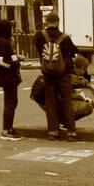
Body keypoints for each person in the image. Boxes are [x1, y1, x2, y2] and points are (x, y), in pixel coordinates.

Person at [38, 10, 77, 140]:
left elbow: (38, 49)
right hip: (63, 74)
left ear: (47, 22)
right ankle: (71, 132)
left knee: (50, 103)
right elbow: (74, 51)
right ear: (58, 22)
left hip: (48, 74)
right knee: (67, 101)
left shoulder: (40, 36)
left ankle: (53, 132)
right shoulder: (65, 38)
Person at [0, 18, 22, 139]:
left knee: (12, 101)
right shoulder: (2, 42)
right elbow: (1, 61)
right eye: (10, 28)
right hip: (7, 77)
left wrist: (17, 58)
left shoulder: (5, 41)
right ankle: (6, 130)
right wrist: (14, 64)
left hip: (10, 77)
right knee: (10, 102)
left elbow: (9, 56)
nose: (12, 30)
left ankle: (9, 127)